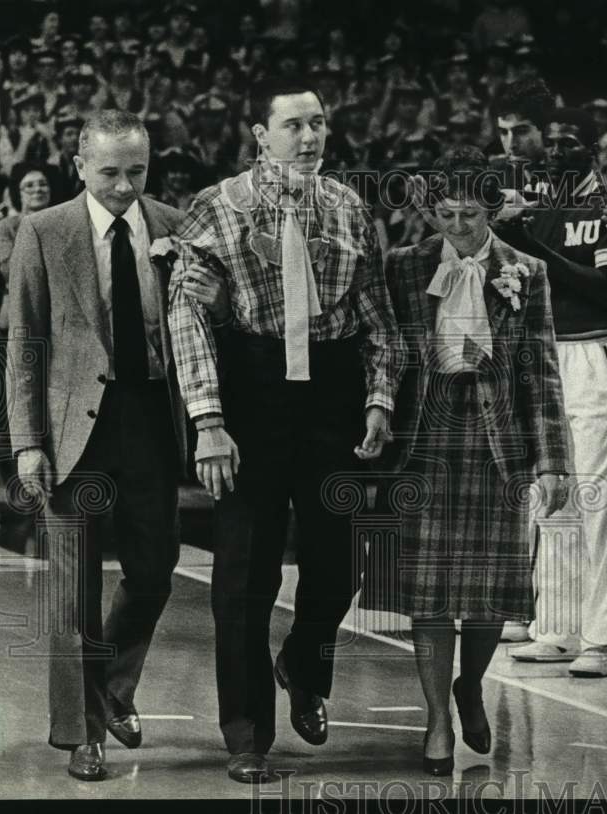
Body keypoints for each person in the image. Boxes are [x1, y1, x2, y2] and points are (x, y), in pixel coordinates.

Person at [167, 77, 402, 784]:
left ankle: (304, 662)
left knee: (343, 564)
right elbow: (186, 316)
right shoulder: (218, 205)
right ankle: (246, 733)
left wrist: (381, 397)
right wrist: (208, 420)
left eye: (319, 124)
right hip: (252, 396)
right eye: (293, 125)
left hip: (331, 395)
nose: (309, 137)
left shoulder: (348, 206)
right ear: (261, 136)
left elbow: (378, 316)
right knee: (245, 574)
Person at [360, 146, 569, 775]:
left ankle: (469, 683)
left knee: (487, 597)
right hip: (424, 440)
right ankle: (435, 721)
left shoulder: (527, 271)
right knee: (428, 595)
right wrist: (377, 411)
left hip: (497, 440)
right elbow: (385, 350)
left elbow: (542, 368)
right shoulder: (401, 266)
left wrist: (554, 460)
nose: (456, 227)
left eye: (470, 215)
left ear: (495, 209)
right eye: (445, 213)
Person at [5, 110, 187, 782]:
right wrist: (27, 441)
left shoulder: (174, 225)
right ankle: (82, 734)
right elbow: (24, 344)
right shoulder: (42, 230)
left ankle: (113, 683)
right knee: (71, 593)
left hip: (151, 420)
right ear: (79, 164)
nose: (122, 186)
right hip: (70, 429)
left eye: (136, 171)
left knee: (155, 568)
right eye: (109, 172)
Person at [498, 108, 607, 678]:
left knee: (600, 497)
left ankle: (605, 638)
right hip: (544, 354)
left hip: (598, 352)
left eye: (569, 141)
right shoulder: (532, 209)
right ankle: (557, 626)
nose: (555, 151)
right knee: (548, 491)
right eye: (550, 141)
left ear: (592, 149)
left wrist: (536, 253)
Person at [0, 162, 54, 330]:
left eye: (43, 184)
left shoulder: (63, 222)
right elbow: (8, 270)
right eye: (29, 186)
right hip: (21, 299)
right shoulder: (6, 226)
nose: (38, 189)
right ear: (18, 193)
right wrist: (29, 226)